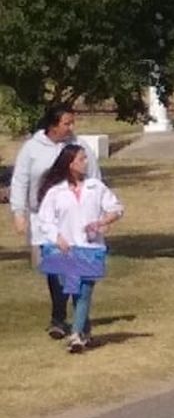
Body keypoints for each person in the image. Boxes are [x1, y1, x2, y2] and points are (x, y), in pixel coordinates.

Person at [10, 102, 99, 339]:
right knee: (56, 268)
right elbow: (20, 181)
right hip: (43, 216)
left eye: (72, 123)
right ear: (52, 125)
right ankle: (59, 317)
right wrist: (19, 213)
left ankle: (79, 318)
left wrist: (97, 215)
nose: (70, 127)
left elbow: (94, 178)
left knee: (77, 265)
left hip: (74, 216)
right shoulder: (32, 148)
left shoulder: (78, 146)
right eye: (66, 123)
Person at [34, 144, 123, 353]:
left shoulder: (96, 187)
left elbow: (116, 208)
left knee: (84, 291)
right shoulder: (56, 192)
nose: (86, 162)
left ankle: (75, 335)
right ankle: (85, 330)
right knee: (74, 290)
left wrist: (102, 222)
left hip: (90, 248)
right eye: (81, 159)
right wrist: (57, 237)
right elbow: (45, 220)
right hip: (65, 250)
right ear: (70, 163)